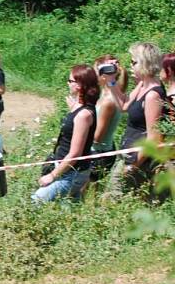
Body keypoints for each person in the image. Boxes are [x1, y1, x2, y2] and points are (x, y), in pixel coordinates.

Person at [105, 42, 167, 196]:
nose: (130, 66)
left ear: (145, 63)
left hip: (139, 160)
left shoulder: (153, 94)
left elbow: (154, 138)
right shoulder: (142, 85)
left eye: (134, 62)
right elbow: (124, 106)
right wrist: (111, 81)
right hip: (128, 153)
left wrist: (133, 166)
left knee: (112, 201)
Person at [32, 66, 98, 203]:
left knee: (36, 201)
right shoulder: (81, 109)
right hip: (67, 170)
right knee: (69, 209)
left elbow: (75, 153)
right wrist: (74, 108)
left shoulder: (84, 115)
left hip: (71, 173)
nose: (68, 83)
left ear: (80, 85)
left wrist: (52, 176)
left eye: (70, 80)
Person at [88, 55, 127, 185]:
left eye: (95, 71)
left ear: (103, 75)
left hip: (98, 154)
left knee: (80, 192)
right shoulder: (106, 95)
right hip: (100, 151)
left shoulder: (108, 102)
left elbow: (98, 137)